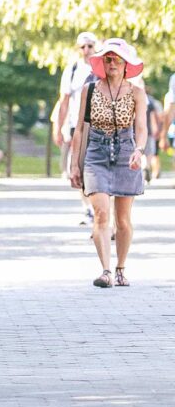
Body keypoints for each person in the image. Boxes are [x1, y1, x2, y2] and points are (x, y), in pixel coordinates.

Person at [69, 38, 147, 289]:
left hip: (125, 151)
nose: (111, 62)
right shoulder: (89, 90)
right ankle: (105, 271)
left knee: (122, 220)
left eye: (116, 59)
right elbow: (80, 129)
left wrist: (139, 150)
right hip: (96, 152)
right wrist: (74, 165)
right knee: (101, 212)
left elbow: (142, 129)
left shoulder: (137, 93)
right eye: (107, 58)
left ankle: (121, 268)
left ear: (126, 64)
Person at [53, 32, 98, 223]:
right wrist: (59, 126)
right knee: (78, 166)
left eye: (89, 46)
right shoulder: (72, 70)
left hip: (99, 124)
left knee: (97, 166)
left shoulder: (103, 67)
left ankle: (99, 208)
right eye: (82, 47)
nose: (86, 50)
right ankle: (87, 207)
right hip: (76, 124)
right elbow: (63, 101)